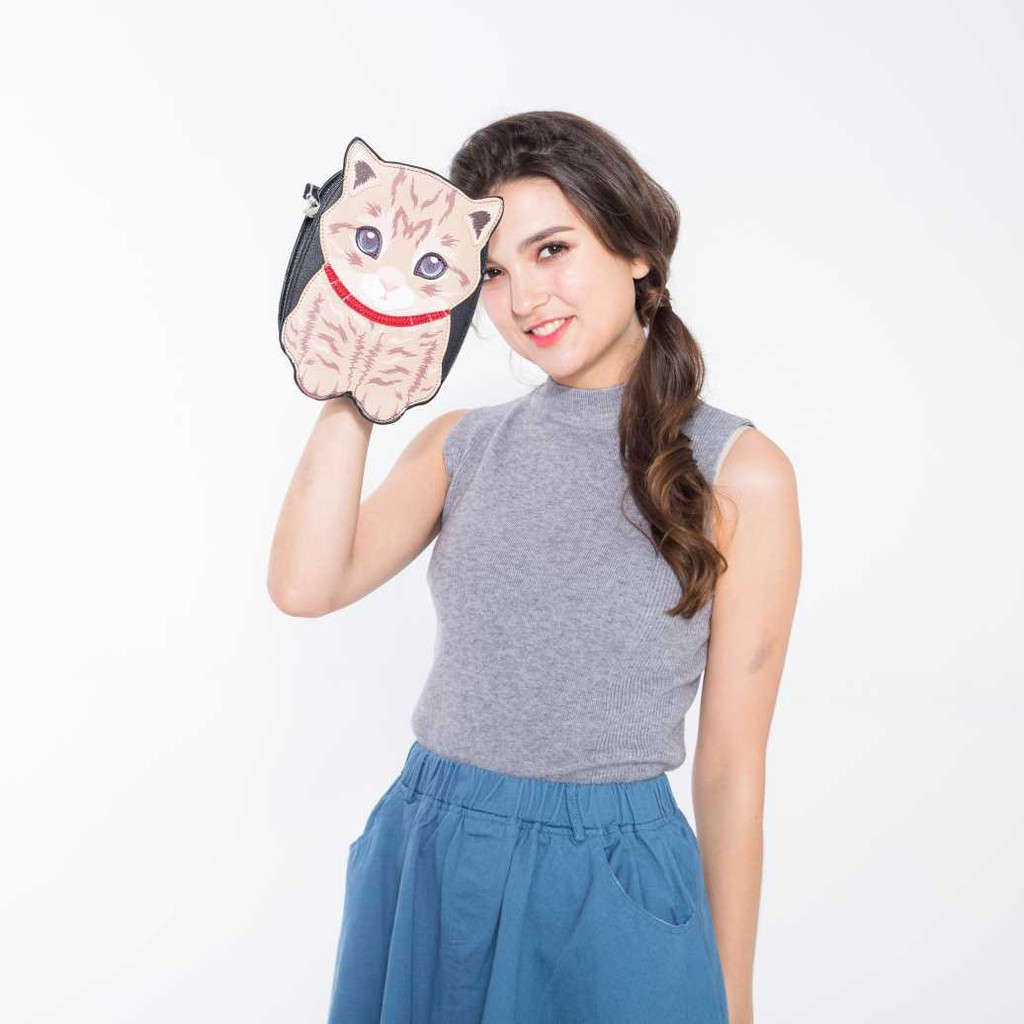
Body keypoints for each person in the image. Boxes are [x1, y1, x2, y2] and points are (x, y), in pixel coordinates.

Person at [268, 110, 801, 1024]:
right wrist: (356, 382)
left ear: (637, 252)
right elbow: (305, 586)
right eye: (493, 271)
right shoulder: (460, 445)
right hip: (433, 852)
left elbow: (731, 766)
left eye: (552, 250)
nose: (523, 300)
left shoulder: (740, 471)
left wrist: (735, 1000)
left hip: (609, 878)